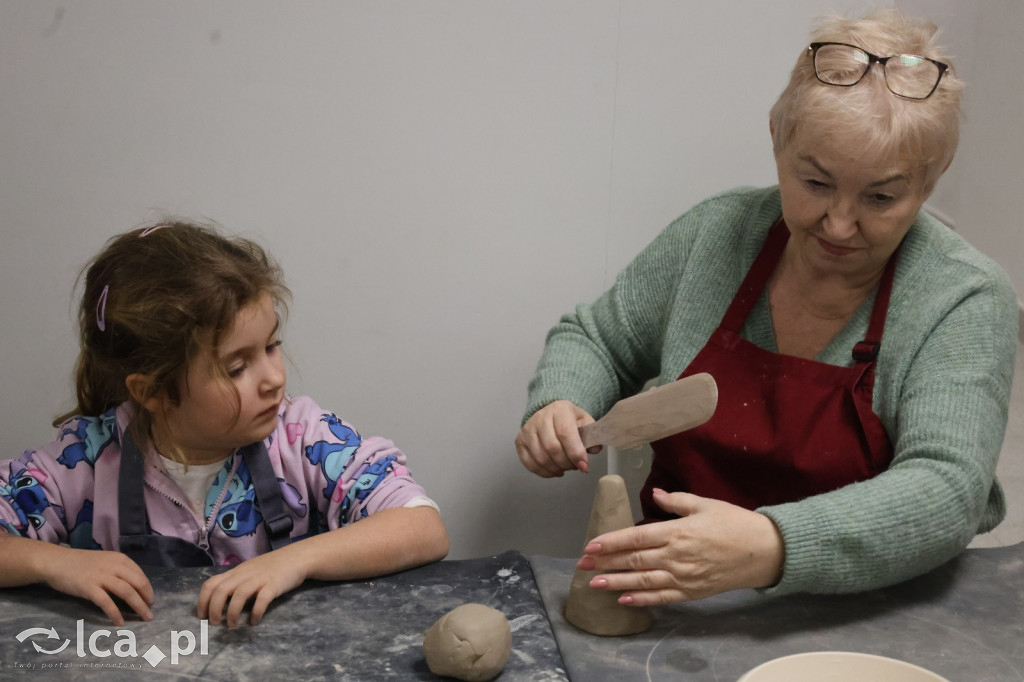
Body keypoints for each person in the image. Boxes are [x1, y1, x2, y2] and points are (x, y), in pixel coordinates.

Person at [515, 9, 1018, 607]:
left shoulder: (962, 298)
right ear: (778, 138)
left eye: (880, 197)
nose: (838, 223)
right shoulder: (717, 234)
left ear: (931, 181)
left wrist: (774, 544)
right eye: (815, 184)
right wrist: (562, 402)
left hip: (863, 618)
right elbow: (598, 339)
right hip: (673, 599)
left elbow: (946, 489)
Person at [0, 221, 449, 627]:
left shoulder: (303, 438)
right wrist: (55, 564)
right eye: (237, 368)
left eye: (272, 346)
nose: (274, 379)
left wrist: (295, 561)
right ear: (152, 392)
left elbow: (422, 527)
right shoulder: (87, 461)